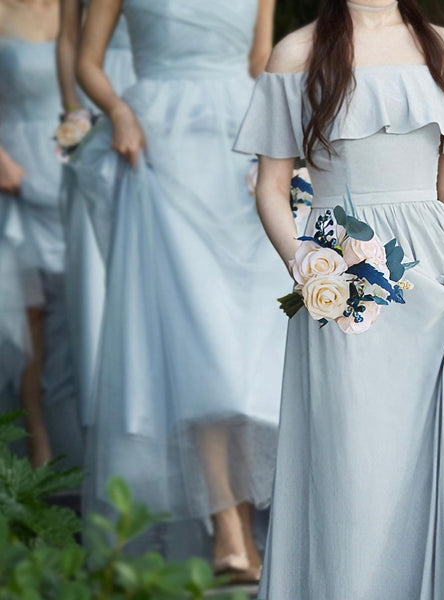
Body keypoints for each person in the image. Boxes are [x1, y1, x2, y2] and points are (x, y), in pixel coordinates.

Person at [234, 0, 444, 597]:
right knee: (354, 459)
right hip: (342, 287)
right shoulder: (297, 53)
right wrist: (306, 265)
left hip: (440, 280)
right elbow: (272, 187)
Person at [76, 0, 288, 580]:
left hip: (239, 154)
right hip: (161, 150)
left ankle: (241, 525)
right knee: (199, 338)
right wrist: (117, 110)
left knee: (246, 349)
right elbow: (87, 62)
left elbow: (262, 61)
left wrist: (277, 155)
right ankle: (226, 522)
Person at [0, 0, 75, 468]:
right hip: (15, 174)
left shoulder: (80, 11)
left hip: (70, 176)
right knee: (29, 315)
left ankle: (75, 441)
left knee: (72, 311)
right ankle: (38, 442)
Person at [56, 0, 135, 429]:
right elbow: (68, 37)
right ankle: (103, 417)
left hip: (154, 81)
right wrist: (75, 116)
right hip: (99, 96)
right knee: (96, 262)